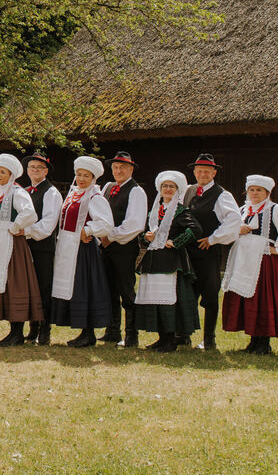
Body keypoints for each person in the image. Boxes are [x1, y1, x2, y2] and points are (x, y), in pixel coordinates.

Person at [221, 175, 278, 355]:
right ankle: (253, 340)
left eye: (259, 190)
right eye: (252, 190)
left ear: (267, 193)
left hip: (263, 260)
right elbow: (227, 232)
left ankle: (264, 343)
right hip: (243, 260)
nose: (255, 193)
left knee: (263, 298)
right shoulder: (242, 210)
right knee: (248, 298)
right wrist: (237, 230)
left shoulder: (275, 210)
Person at [0, 154, 42, 346]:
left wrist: (14, 227)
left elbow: (30, 213)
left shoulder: (17, 192)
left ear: (12, 175)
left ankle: (17, 332)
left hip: (11, 244)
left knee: (14, 284)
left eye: (3, 172)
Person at [49, 156, 114, 348]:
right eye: (79, 175)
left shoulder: (94, 197)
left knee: (84, 288)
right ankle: (82, 330)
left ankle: (89, 333)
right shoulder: (73, 194)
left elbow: (106, 223)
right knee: (73, 288)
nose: (82, 179)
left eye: (86, 176)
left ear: (93, 178)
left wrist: (88, 230)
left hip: (83, 250)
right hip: (67, 248)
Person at [135, 171, 201, 352]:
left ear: (178, 190)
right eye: (165, 186)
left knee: (170, 300)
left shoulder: (180, 211)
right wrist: (145, 237)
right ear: (160, 189)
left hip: (171, 262)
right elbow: (145, 232)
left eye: (172, 186)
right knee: (155, 299)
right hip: (154, 260)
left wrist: (176, 242)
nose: (168, 189)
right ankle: (161, 338)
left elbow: (196, 229)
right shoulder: (154, 211)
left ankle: (171, 340)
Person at [182, 153, 241, 350]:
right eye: (199, 171)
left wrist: (213, 239)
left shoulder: (222, 194)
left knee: (210, 294)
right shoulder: (189, 191)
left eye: (207, 171)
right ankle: (184, 336)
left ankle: (209, 340)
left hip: (208, 254)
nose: (203, 174)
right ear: (194, 172)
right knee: (187, 294)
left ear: (214, 172)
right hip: (189, 252)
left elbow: (234, 220)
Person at [99, 151, 148, 347]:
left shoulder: (136, 191)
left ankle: (131, 335)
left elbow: (135, 224)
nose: (118, 171)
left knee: (126, 291)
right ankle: (112, 330)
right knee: (108, 288)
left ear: (131, 170)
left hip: (124, 247)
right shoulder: (108, 188)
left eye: (122, 168)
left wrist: (110, 236)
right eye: (115, 168)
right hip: (105, 246)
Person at [22, 151, 63, 345]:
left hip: (42, 247)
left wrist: (26, 231)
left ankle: (45, 331)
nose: (35, 170)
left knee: (43, 287)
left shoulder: (51, 192)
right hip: (26, 245)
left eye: (39, 167)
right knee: (29, 287)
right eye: (32, 167)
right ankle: (33, 328)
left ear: (46, 171)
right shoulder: (26, 190)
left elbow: (48, 223)